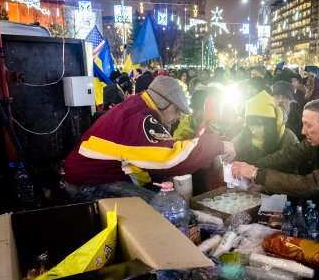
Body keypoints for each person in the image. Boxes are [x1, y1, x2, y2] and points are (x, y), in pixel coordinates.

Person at [63, 76, 235, 203]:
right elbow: (172, 158)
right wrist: (219, 145)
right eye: (176, 110)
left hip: (98, 177)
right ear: (163, 102)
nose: (178, 117)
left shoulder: (138, 107)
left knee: (164, 191)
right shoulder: (140, 119)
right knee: (159, 210)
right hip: (88, 185)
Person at [231, 98, 319, 240]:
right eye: (303, 124)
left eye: (308, 125)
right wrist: (252, 165)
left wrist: (257, 174)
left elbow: (312, 184)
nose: (302, 131)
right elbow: (291, 154)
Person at [234, 90, 298, 165]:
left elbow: (296, 171)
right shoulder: (245, 134)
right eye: (251, 125)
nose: (254, 131)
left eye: (259, 125)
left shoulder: (288, 138)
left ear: (269, 123)